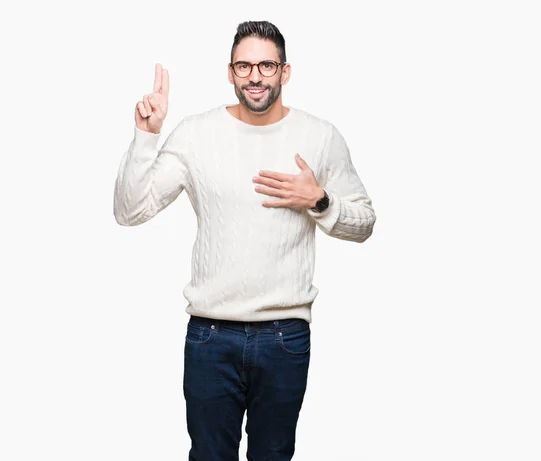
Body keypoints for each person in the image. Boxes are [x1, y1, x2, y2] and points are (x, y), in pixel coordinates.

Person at [113, 20, 376, 461]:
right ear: (230, 72)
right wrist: (147, 135)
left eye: (266, 65)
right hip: (210, 337)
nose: (255, 76)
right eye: (244, 66)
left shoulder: (319, 136)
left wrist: (321, 201)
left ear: (285, 72)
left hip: (284, 337)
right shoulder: (196, 134)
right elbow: (130, 210)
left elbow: (364, 223)